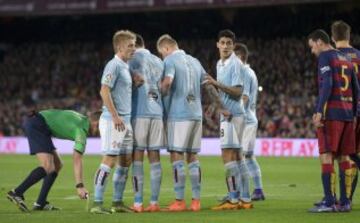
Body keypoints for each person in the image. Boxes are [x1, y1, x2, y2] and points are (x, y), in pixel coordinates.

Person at [157, 34, 225, 212]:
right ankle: (196, 201)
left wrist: (158, 92)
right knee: (193, 157)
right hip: (196, 114)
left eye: (161, 54)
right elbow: (209, 85)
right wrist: (221, 106)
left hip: (178, 115)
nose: (162, 57)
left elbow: (167, 83)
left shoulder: (170, 60)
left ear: (166, 48)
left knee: (176, 155)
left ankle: (179, 201)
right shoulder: (195, 61)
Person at [6, 98, 96, 212]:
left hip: (39, 122)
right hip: (38, 124)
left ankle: (40, 203)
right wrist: (80, 186)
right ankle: (16, 193)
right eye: (99, 127)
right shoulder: (81, 130)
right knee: (48, 166)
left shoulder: (82, 118)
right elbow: (77, 159)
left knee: (57, 164)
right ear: (95, 123)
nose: (100, 130)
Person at [307, 29, 358, 213]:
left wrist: (319, 111)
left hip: (332, 115)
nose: (312, 51)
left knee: (326, 155)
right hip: (347, 116)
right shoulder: (346, 58)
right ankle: (344, 202)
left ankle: (329, 202)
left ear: (320, 42)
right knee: (344, 157)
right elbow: (356, 88)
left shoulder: (325, 57)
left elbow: (327, 84)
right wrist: (353, 113)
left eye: (312, 46)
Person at [90, 30, 136, 214]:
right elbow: (104, 91)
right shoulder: (113, 65)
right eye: (130, 46)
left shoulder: (125, 66)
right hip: (113, 121)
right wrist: (115, 116)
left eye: (134, 45)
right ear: (119, 47)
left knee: (125, 161)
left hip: (125, 121)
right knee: (109, 159)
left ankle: (117, 203)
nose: (133, 49)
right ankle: (97, 203)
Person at [206, 29, 252, 210]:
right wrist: (216, 105)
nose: (225, 46)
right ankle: (245, 199)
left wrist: (215, 83)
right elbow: (224, 92)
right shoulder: (220, 63)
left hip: (232, 115)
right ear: (217, 44)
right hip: (228, 113)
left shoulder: (235, 64)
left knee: (227, 156)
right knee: (238, 157)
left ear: (233, 45)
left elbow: (238, 91)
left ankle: (232, 200)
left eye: (229, 43)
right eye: (222, 43)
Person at [128, 34, 165, 212]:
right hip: (157, 112)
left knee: (137, 156)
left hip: (140, 112)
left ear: (134, 44)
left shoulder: (132, 57)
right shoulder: (159, 61)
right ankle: (154, 203)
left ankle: (137, 203)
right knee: (154, 156)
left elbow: (128, 84)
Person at [331, 20, 360, 203]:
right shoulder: (359, 56)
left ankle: (339, 198)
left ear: (332, 37)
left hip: (341, 112)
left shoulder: (331, 57)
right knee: (354, 155)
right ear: (349, 36)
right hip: (357, 110)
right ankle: (347, 197)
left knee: (339, 155)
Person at [234, 42, 265, 201]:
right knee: (249, 157)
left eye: (234, 55)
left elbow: (244, 97)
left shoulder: (244, 72)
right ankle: (258, 190)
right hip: (250, 118)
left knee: (241, 157)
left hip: (245, 120)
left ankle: (239, 192)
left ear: (240, 56)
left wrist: (233, 111)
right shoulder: (250, 71)